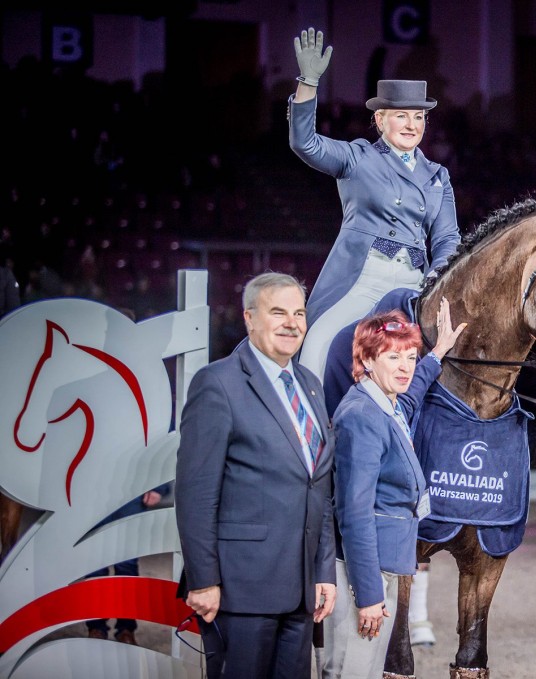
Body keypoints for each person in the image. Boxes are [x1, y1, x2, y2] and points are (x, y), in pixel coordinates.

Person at [176, 272, 337, 679]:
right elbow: (196, 495)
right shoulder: (218, 383)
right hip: (240, 590)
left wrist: (323, 572)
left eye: (299, 313)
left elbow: (319, 489)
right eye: (278, 312)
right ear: (249, 318)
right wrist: (203, 580)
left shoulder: (310, 385)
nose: (292, 323)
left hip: (300, 592)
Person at [288, 26, 461, 379]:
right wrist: (309, 82)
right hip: (364, 279)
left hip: (415, 283)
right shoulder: (358, 158)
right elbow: (306, 143)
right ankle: (309, 411)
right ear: (380, 120)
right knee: (318, 342)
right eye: (401, 116)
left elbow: (447, 239)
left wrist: (436, 278)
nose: (411, 125)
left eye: (418, 117)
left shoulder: (437, 176)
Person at [321, 299, 464, 678]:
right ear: (367, 360)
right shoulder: (362, 417)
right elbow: (354, 514)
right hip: (365, 572)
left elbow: (412, 393)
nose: (405, 368)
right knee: (350, 671)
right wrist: (368, 594)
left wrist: (437, 353)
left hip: (382, 565)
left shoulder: (385, 403)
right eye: (394, 357)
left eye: (410, 357)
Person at [85, 485, 170, 644]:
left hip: (131, 493)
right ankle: (96, 629)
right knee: (94, 567)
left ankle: (126, 629)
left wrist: (158, 488)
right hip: (94, 493)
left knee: (127, 566)